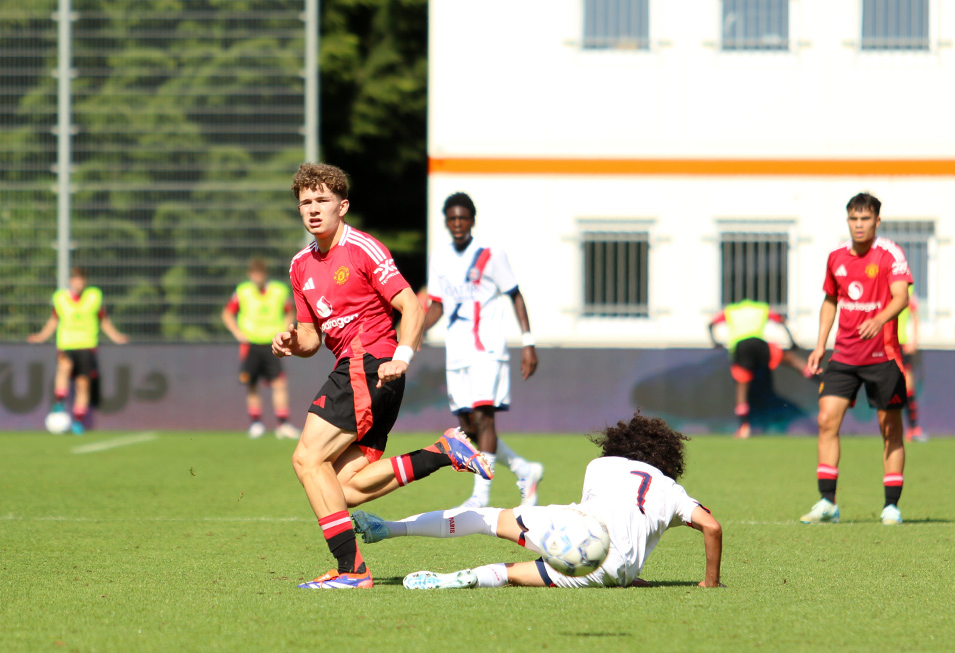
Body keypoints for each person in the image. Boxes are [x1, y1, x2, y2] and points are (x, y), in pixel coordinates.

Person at [272, 163, 494, 590]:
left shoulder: (362, 248)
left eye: (322, 201)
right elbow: (309, 339)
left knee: (306, 458)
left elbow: (411, 306)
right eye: (305, 202)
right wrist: (289, 342)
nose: (313, 210)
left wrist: (403, 355)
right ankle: (443, 452)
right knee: (344, 489)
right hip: (362, 373)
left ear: (343, 205)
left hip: (369, 365)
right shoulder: (300, 265)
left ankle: (352, 571)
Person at [350, 411, 723, 590]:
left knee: (485, 518)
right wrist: (709, 582)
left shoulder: (601, 464)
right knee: (512, 573)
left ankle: (390, 529)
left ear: (621, 444)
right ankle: (454, 579)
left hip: (580, 530)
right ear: (666, 460)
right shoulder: (671, 491)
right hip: (614, 572)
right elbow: (711, 526)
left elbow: (599, 516)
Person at [423, 191, 543, 508]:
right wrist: (416, 331)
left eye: (463, 217)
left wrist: (528, 342)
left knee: (484, 418)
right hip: (457, 351)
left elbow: (515, 294)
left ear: (472, 220)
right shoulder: (439, 257)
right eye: (452, 218)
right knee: (468, 428)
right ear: (446, 222)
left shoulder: (490, 254)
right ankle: (524, 469)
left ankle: (480, 496)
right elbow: (436, 304)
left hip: (487, 348)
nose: (458, 223)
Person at [801, 192, 912, 526]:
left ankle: (891, 506)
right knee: (825, 421)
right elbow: (830, 301)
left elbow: (902, 297)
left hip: (883, 356)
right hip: (845, 355)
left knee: (889, 428)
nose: (859, 225)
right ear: (848, 220)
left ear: (877, 221)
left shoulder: (890, 254)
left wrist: (879, 319)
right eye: (853, 218)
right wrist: (820, 345)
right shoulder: (836, 258)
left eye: (865, 219)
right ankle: (827, 502)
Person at [27, 267, 129, 434]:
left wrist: (115, 336)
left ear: (85, 282)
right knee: (64, 367)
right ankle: (59, 402)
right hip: (67, 344)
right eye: (75, 280)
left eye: (81, 280)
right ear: (70, 282)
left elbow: (103, 320)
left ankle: (78, 421)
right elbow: (54, 320)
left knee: (83, 385)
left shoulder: (94, 296)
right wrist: (41, 336)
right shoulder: (60, 298)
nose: (78, 283)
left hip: (87, 345)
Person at [708, 299, 814, 439]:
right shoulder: (761, 308)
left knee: (741, 388)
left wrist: (715, 342)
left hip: (740, 347)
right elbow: (781, 320)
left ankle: (744, 427)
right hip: (758, 344)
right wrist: (792, 341)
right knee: (790, 359)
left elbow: (711, 324)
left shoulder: (730, 310)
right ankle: (820, 378)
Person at [222, 258, 299, 440]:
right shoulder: (243, 292)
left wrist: (284, 329)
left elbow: (289, 310)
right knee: (252, 384)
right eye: (254, 273)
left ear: (265, 274)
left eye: (261, 273)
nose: (258, 277)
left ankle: (283, 424)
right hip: (251, 344)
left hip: (273, 343)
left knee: (279, 383)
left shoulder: (278, 291)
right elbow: (227, 313)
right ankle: (256, 423)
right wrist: (237, 333)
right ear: (250, 275)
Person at [897, 286, 927, 443]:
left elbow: (914, 313)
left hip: (901, 343)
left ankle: (913, 428)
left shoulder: (908, 288)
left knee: (908, 385)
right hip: (884, 344)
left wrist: (914, 339)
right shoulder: (881, 283)